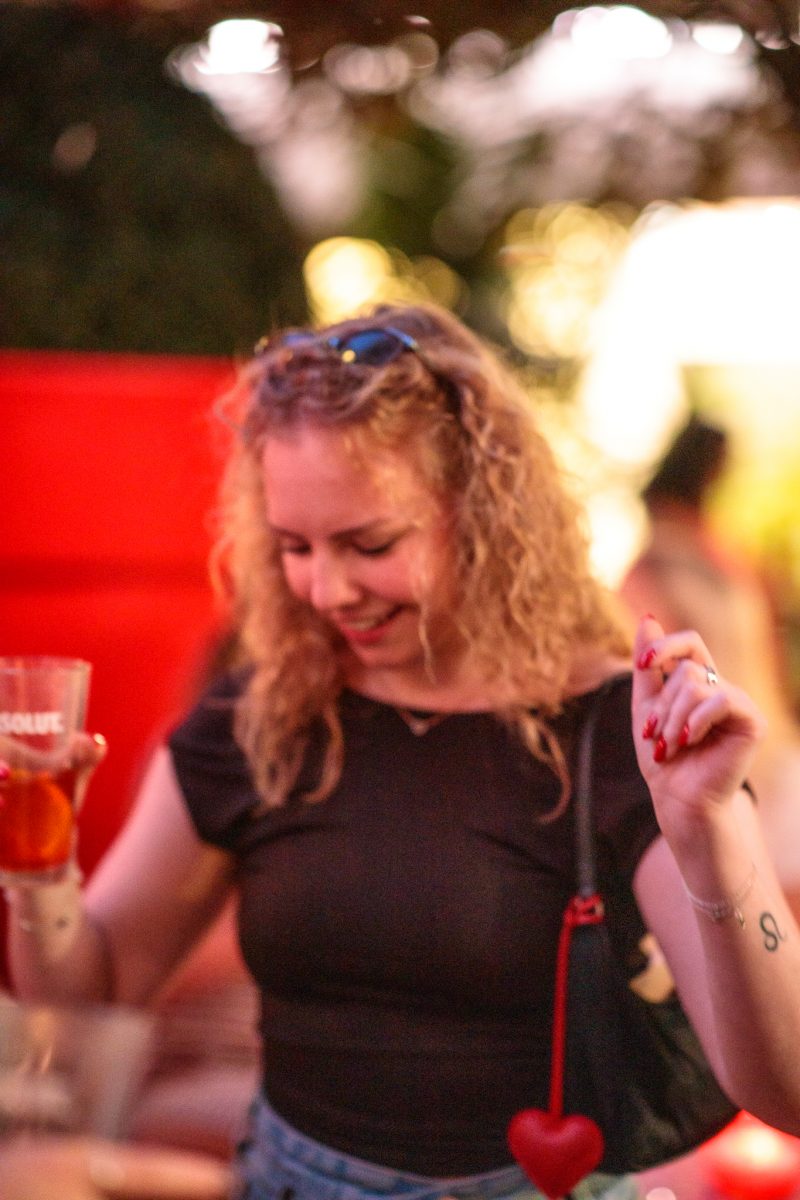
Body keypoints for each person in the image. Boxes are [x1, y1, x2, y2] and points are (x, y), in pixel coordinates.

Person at [4, 302, 800, 1200]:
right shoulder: (263, 718)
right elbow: (92, 993)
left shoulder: (611, 730)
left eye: (369, 544)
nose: (326, 589)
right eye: (294, 546)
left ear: (484, 512)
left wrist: (709, 828)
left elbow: (786, 1090)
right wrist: (37, 860)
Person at [619, 414, 800, 909]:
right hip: (719, 753)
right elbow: (646, 663)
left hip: (771, 743)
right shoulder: (655, 564)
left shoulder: (724, 551)